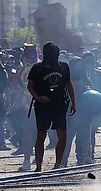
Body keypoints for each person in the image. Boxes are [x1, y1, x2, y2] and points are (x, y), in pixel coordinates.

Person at [27, 42, 76, 171]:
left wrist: (73, 103)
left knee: (62, 135)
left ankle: (58, 164)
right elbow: (30, 86)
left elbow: (68, 84)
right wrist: (38, 98)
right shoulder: (37, 68)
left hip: (59, 104)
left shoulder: (63, 67)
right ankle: (38, 166)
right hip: (43, 106)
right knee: (41, 135)